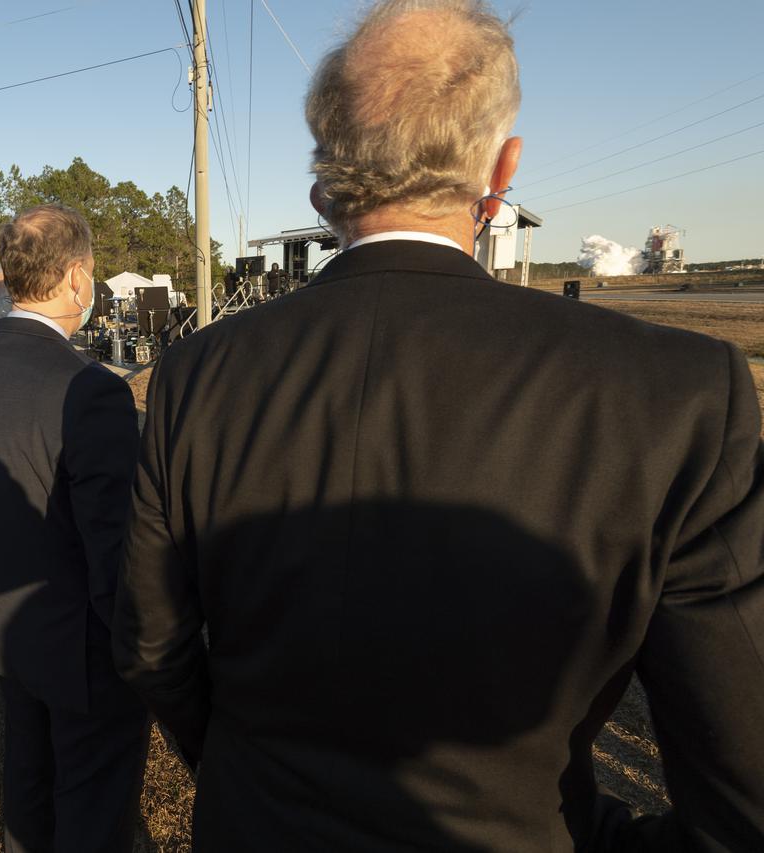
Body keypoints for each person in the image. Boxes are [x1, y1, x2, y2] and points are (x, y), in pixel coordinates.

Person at [113, 1, 764, 850]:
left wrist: (241, 772)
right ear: (504, 168)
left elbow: (152, 642)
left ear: (324, 185)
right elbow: (742, 780)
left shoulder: (197, 373)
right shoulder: (673, 391)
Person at [0, 204, 149, 853]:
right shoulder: (90, 389)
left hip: (8, 622)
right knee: (93, 802)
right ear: (78, 277)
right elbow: (116, 550)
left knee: (29, 777)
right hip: (86, 643)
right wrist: (143, 651)